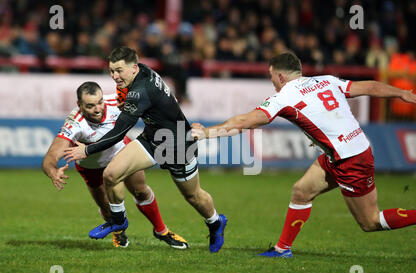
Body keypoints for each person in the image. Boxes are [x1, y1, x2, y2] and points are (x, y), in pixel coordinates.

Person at [191, 52, 416, 258]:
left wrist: (205, 133)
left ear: (280, 76)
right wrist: (402, 93)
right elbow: (369, 87)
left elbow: (243, 122)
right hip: (344, 152)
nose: (271, 82)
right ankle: (282, 249)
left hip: (350, 160)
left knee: (370, 221)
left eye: (271, 77)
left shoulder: (284, 96)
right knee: (301, 191)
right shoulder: (326, 80)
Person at [63, 47, 227, 253]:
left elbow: (117, 132)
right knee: (111, 174)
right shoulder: (142, 72)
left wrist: (86, 151)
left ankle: (215, 222)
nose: (114, 76)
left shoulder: (139, 92)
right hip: (153, 137)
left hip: (177, 143)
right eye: (112, 70)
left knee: (193, 196)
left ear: (133, 68)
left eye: (119, 71)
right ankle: (118, 221)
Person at [43, 81, 188, 249]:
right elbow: (50, 157)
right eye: (90, 106)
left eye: (99, 102)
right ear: (79, 105)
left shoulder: (116, 101)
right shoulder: (74, 123)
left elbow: (151, 100)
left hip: (122, 152)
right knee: (107, 210)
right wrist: (53, 172)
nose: (97, 109)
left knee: (141, 191)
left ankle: (162, 231)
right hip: (92, 168)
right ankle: (118, 230)